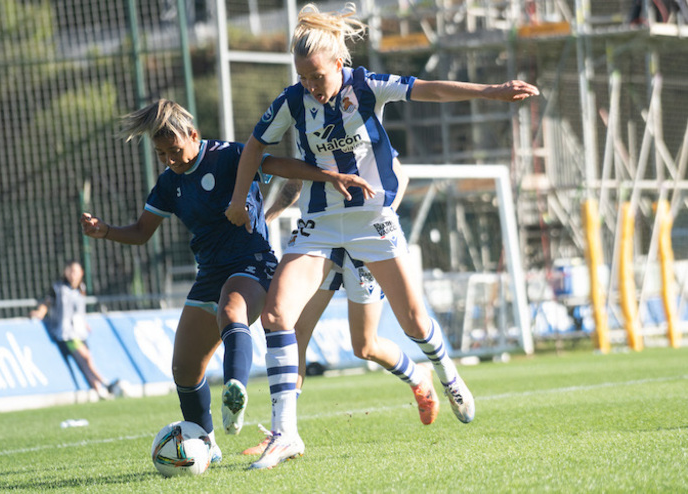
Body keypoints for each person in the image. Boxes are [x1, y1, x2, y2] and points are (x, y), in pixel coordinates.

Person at [224, 2, 540, 469]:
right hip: (321, 225)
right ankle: (285, 434)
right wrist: (237, 200)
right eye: (303, 77)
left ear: (339, 63)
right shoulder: (292, 102)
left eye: (317, 76)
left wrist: (489, 91)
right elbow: (256, 146)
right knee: (276, 315)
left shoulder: (367, 86)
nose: (311, 86)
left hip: (372, 219)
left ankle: (446, 374)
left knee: (408, 323)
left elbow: (426, 89)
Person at [79, 99, 373, 464]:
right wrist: (105, 231)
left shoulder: (229, 156)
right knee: (184, 369)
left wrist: (332, 176)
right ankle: (205, 444)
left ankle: (235, 389)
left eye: (174, 150)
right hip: (210, 274)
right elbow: (141, 232)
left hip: (252, 262)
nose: (170, 160)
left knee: (231, 311)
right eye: (161, 154)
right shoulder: (170, 182)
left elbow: (283, 168)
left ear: (194, 136)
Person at [242, 158, 440, 457]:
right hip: (320, 239)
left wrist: (379, 226)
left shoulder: (362, 115)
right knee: (293, 333)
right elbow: (299, 176)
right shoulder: (308, 117)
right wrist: (272, 214)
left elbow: (399, 174)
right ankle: (283, 433)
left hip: (362, 240)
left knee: (365, 345)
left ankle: (418, 375)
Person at [30, 260, 116, 400]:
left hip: (80, 331)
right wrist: (40, 312)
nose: (72, 274)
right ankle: (107, 383)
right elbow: (47, 302)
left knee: (84, 363)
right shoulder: (58, 288)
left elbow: (78, 310)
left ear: (81, 273)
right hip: (67, 333)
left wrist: (84, 322)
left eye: (75, 271)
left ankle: (98, 390)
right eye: (70, 271)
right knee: (86, 357)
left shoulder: (81, 288)